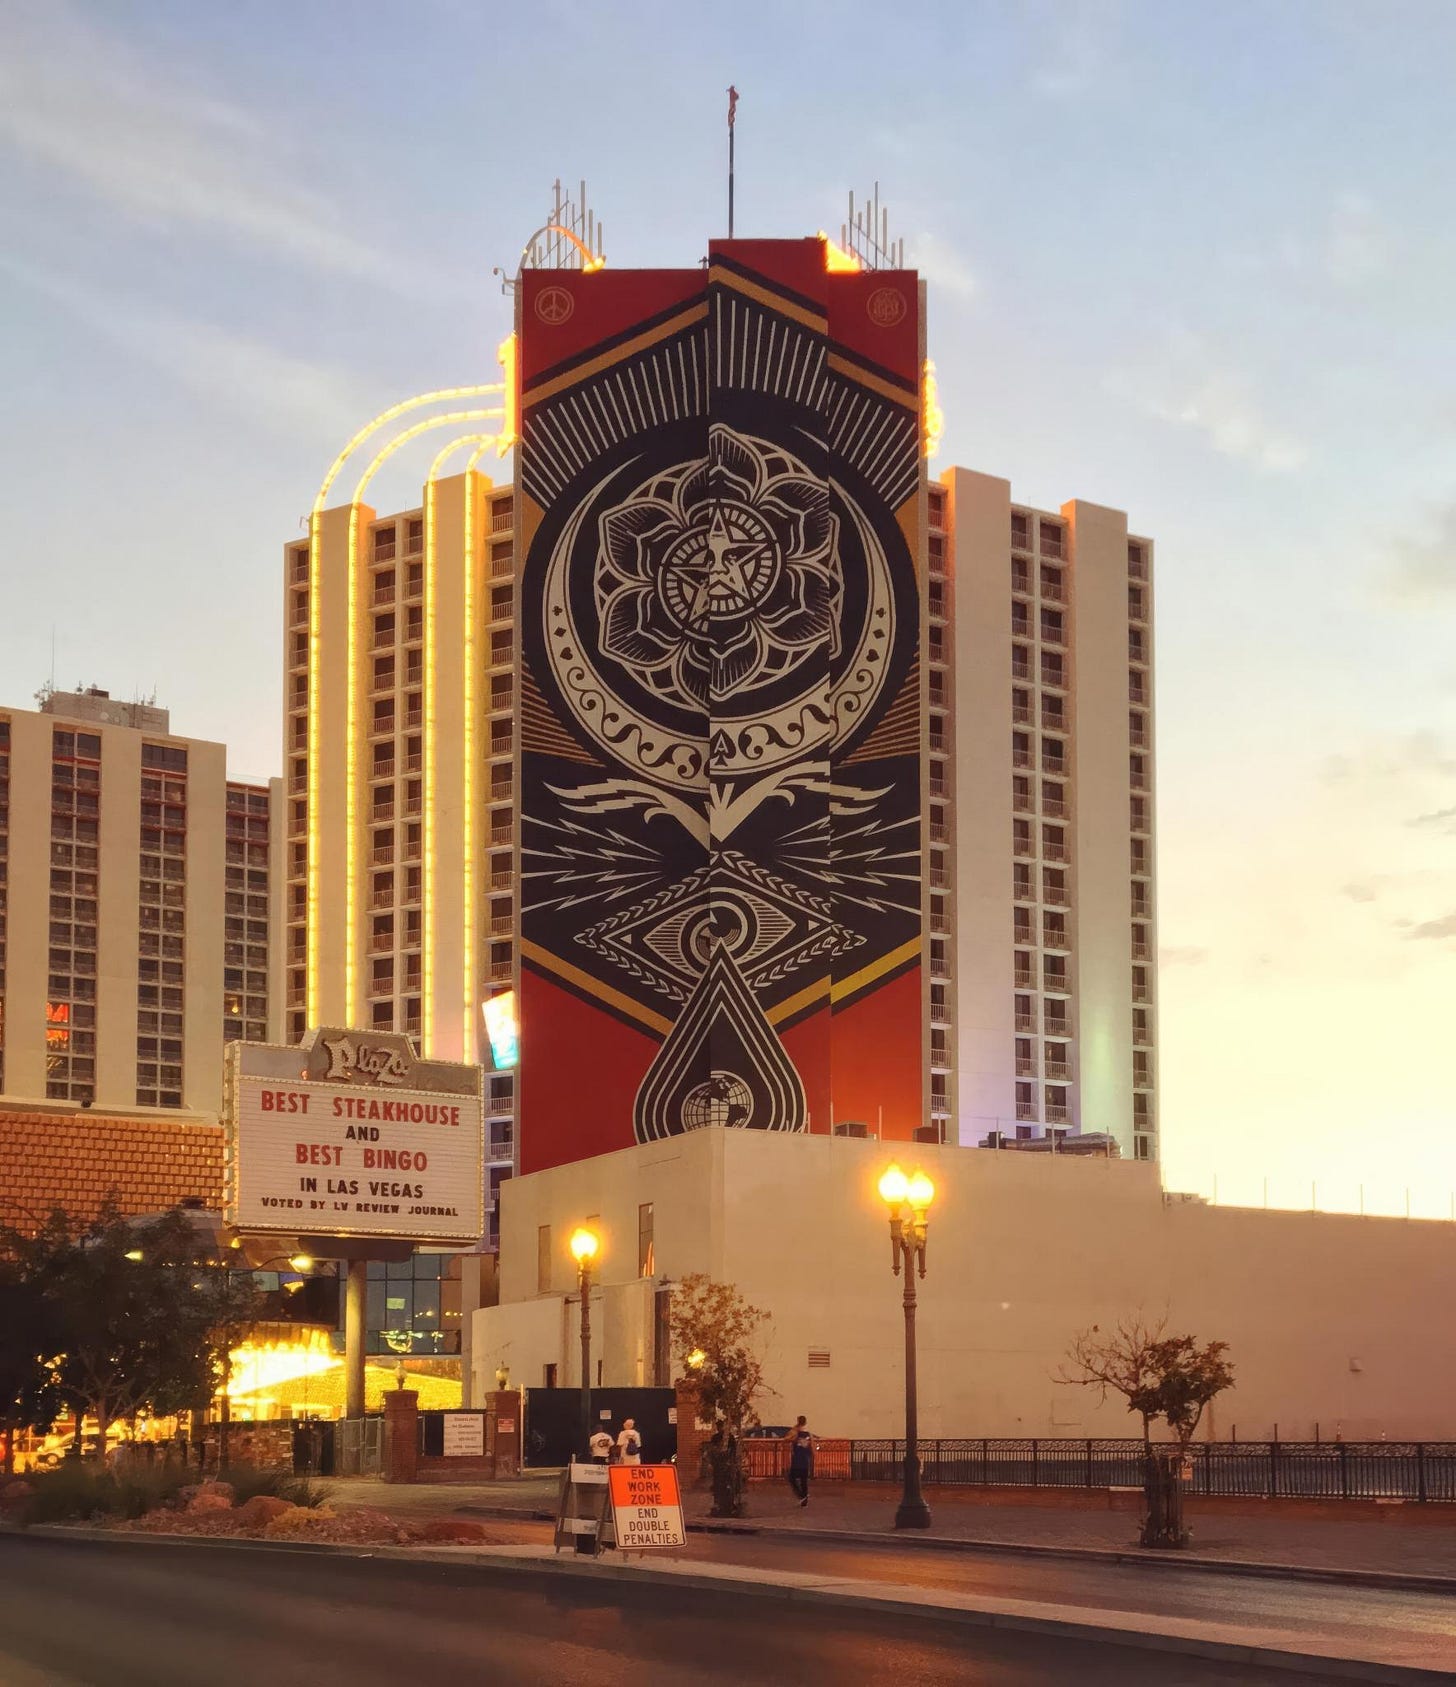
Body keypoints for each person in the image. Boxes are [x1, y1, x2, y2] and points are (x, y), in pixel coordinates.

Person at [785, 1416, 814, 1505]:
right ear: (805, 1422)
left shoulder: (795, 1432)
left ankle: (801, 1495)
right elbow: (812, 1446)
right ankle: (804, 1499)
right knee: (803, 1480)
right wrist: (811, 1456)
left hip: (797, 1460)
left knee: (792, 1478)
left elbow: (786, 1438)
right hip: (805, 1460)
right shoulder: (809, 1434)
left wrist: (794, 1432)